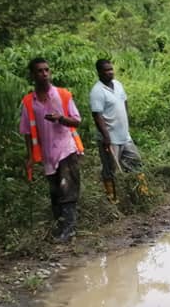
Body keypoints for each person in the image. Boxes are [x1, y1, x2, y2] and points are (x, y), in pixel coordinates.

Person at [20, 57, 84, 242]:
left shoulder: (62, 95)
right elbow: (27, 131)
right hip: (48, 155)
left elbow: (77, 121)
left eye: (47, 70)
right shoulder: (29, 102)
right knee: (55, 193)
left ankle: (69, 230)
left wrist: (60, 118)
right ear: (33, 75)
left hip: (66, 149)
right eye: (40, 71)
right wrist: (30, 157)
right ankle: (61, 228)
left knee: (67, 189)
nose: (44, 74)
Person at [89, 59, 145, 203]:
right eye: (106, 70)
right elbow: (97, 115)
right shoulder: (97, 91)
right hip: (110, 138)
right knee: (110, 169)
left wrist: (126, 122)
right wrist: (106, 136)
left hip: (124, 135)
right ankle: (112, 199)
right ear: (99, 72)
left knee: (135, 161)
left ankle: (141, 192)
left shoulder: (118, 85)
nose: (110, 72)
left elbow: (124, 102)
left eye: (111, 69)